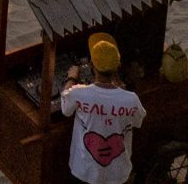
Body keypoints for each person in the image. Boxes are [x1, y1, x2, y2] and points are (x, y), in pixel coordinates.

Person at [58, 34, 146, 184]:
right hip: (117, 174)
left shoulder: (78, 93)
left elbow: (66, 108)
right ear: (117, 67)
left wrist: (71, 77)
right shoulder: (131, 99)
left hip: (84, 172)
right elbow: (138, 121)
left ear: (92, 65)